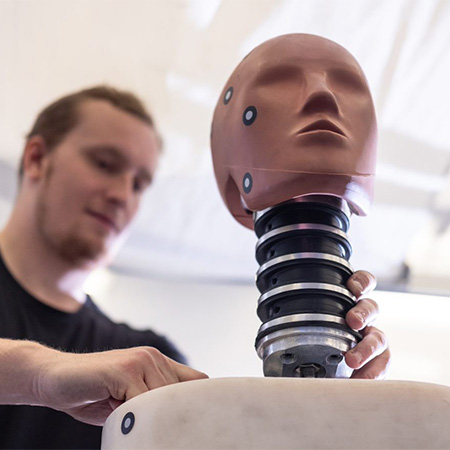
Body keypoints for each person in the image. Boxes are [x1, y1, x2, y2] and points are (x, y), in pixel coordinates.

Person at [0, 86, 389, 449]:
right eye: (104, 164)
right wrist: (38, 376)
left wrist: (336, 402)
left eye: (139, 184)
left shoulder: (149, 364)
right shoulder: (134, 368)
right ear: (36, 159)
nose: (121, 195)